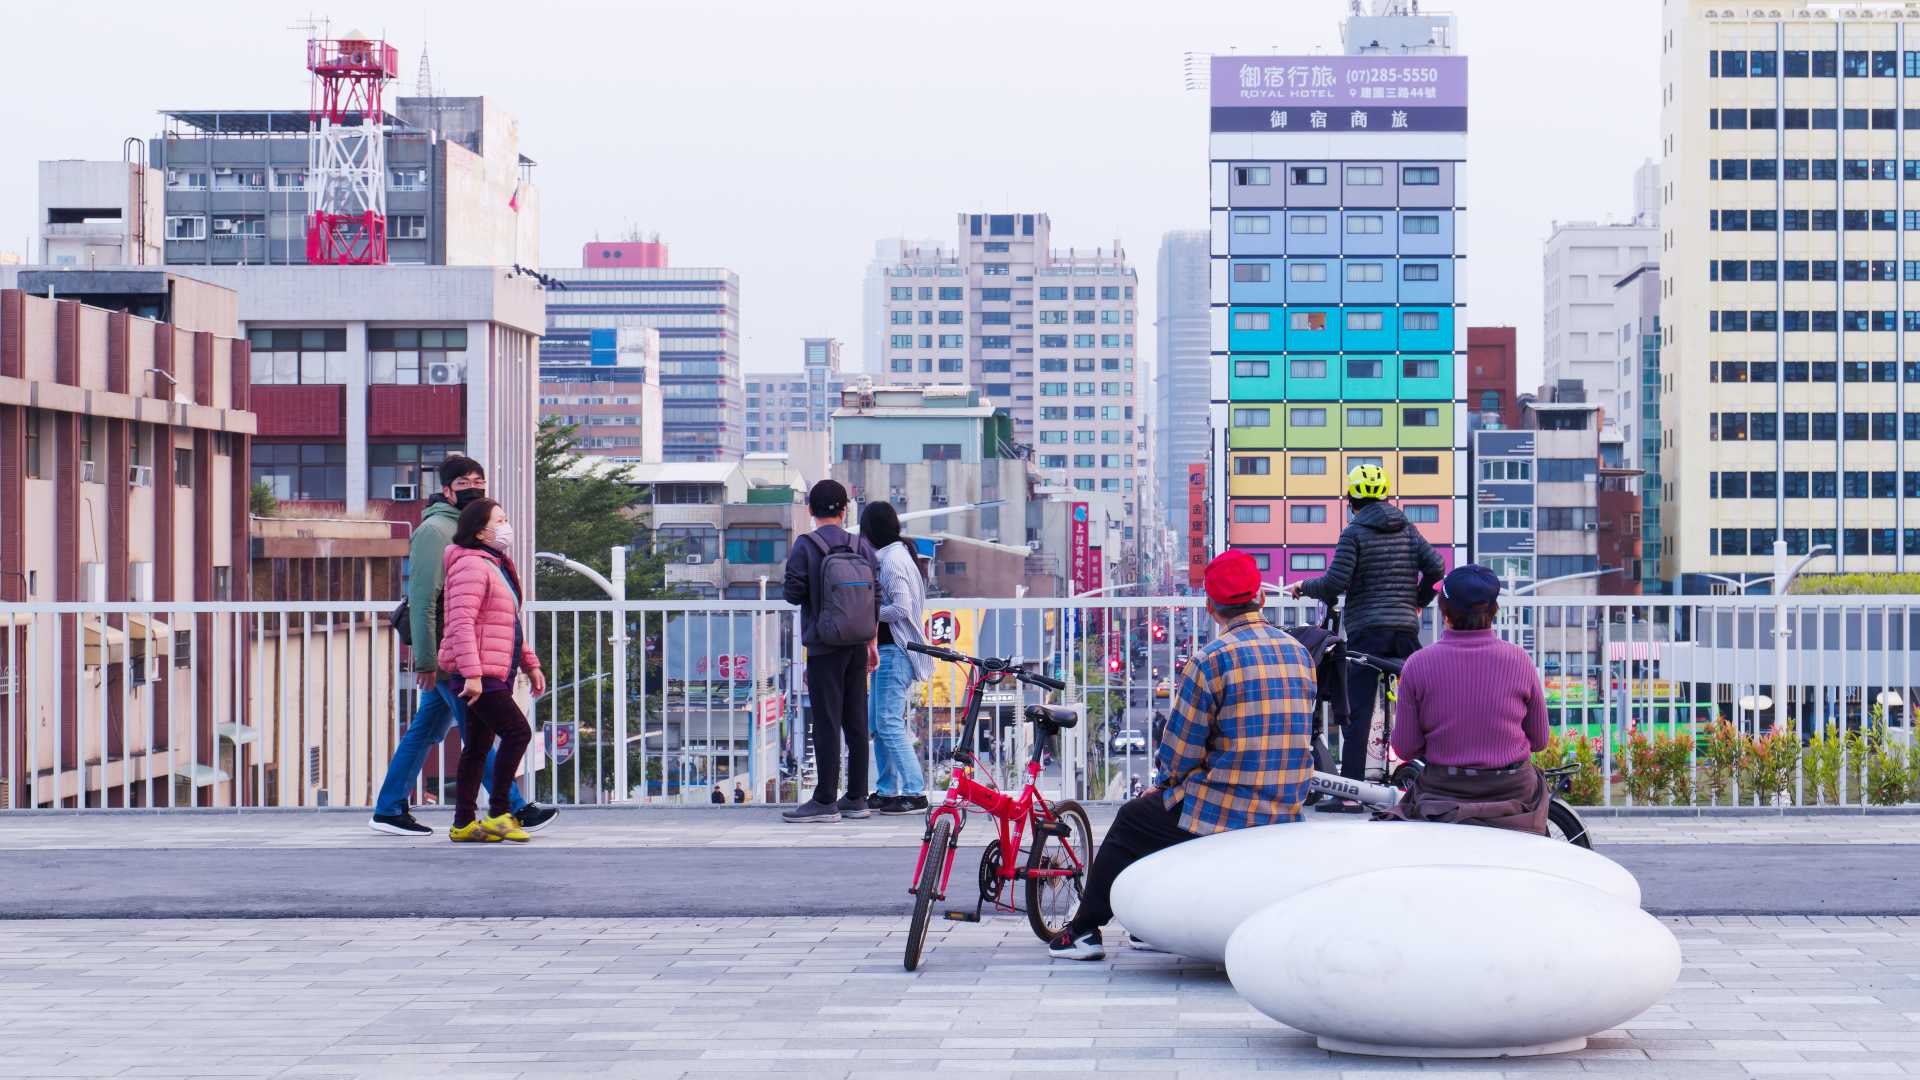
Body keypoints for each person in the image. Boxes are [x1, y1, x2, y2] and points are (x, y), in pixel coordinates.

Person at [1049, 550, 1317, 960]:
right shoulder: (1299, 653)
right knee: (1164, 812)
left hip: (1227, 811)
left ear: (1211, 608)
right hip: (1286, 806)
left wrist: (1162, 787)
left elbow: (1178, 755)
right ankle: (1151, 925)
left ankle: (1084, 930)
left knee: (1134, 821)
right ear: (1261, 597)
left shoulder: (1211, 660)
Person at [369, 457, 554, 837]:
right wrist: (425, 659)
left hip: (461, 652)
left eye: (479, 480)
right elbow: (423, 599)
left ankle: (389, 808)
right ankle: (511, 808)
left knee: (427, 731)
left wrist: (526, 660)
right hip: (454, 653)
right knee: (485, 730)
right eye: (465, 482)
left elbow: (503, 614)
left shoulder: (472, 532)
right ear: (448, 488)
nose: (474, 487)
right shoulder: (436, 531)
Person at [1288, 463, 1444, 808]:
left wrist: (1303, 587)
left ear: (1351, 500)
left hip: (1367, 633)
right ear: (1386, 496)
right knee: (1425, 703)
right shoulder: (1407, 528)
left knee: (1357, 711)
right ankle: (1439, 778)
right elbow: (1436, 568)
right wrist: (1416, 603)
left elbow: (1334, 583)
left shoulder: (1354, 533)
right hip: (1405, 631)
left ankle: (1349, 796)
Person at [1385, 564, 1551, 834]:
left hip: (1442, 795)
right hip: (1514, 797)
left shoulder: (1417, 664)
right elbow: (1540, 740)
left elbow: (1405, 747)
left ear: (1445, 612)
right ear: (1493, 610)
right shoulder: (1519, 660)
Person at [439, 498, 547, 843]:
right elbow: (461, 623)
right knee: (518, 732)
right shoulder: (471, 566)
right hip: (479, 672)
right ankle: (500, 813)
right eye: (500, 520)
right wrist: (472, 675)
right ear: (480, 531)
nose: (506, 526)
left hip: (490, 670)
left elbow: (506, 623)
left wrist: (530, 664)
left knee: (478, 746)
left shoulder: (491, 564)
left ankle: (463, 823)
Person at [781, 480, 882, 823]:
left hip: (824, 645)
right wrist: (871, 643)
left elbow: (793, 594)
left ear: (810, 509)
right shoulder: (861, 545)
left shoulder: (805, 546)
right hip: (857, 644)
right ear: (844, 510)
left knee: (826, 722)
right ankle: (856, 797)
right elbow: (875, 596)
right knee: (856, 721)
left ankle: (825, 800)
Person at [860, 501, 932, 816]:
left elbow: (900, 608)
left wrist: (867, 611)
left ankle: (914, 792)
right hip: (889, 651)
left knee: (887, 723)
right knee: (878, 722)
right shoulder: (896, 556)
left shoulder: (891, 562)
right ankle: (887, 791)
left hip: (894, 652)